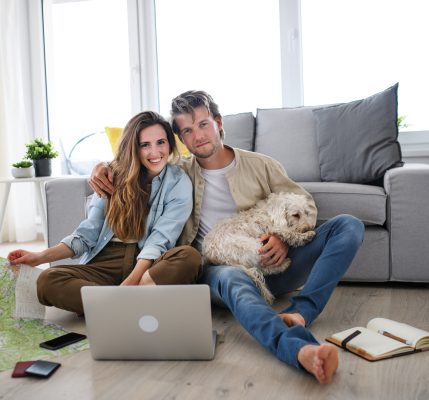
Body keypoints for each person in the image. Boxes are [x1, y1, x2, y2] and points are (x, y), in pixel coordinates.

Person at [88, 91, 365, 385]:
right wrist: (102, 168)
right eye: (187, 131)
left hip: (276, 264)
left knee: (348, 225)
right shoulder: (176, 172)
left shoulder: (262, 165)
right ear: (181, 138)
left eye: (203, 124)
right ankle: (300, 350)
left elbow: (303, 203)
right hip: (218, 274)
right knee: (234, 278)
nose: (198, 136)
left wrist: (284, 238)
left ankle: (301, 312)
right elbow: (138, 162)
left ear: (218, 123)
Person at [8, 111, 202, 315]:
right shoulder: (109, 175)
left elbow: (160, 240)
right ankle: (134, 303)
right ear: (133, 147)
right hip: (103, 262)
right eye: (145, 145)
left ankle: (103, 305)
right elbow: (87, 234)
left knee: (190, 258)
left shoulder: (178, 182)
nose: (155, 152)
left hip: (147, 265)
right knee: (47, 280)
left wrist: (128, 285)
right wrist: (39, 257)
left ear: (170, 144)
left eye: (161, 142)